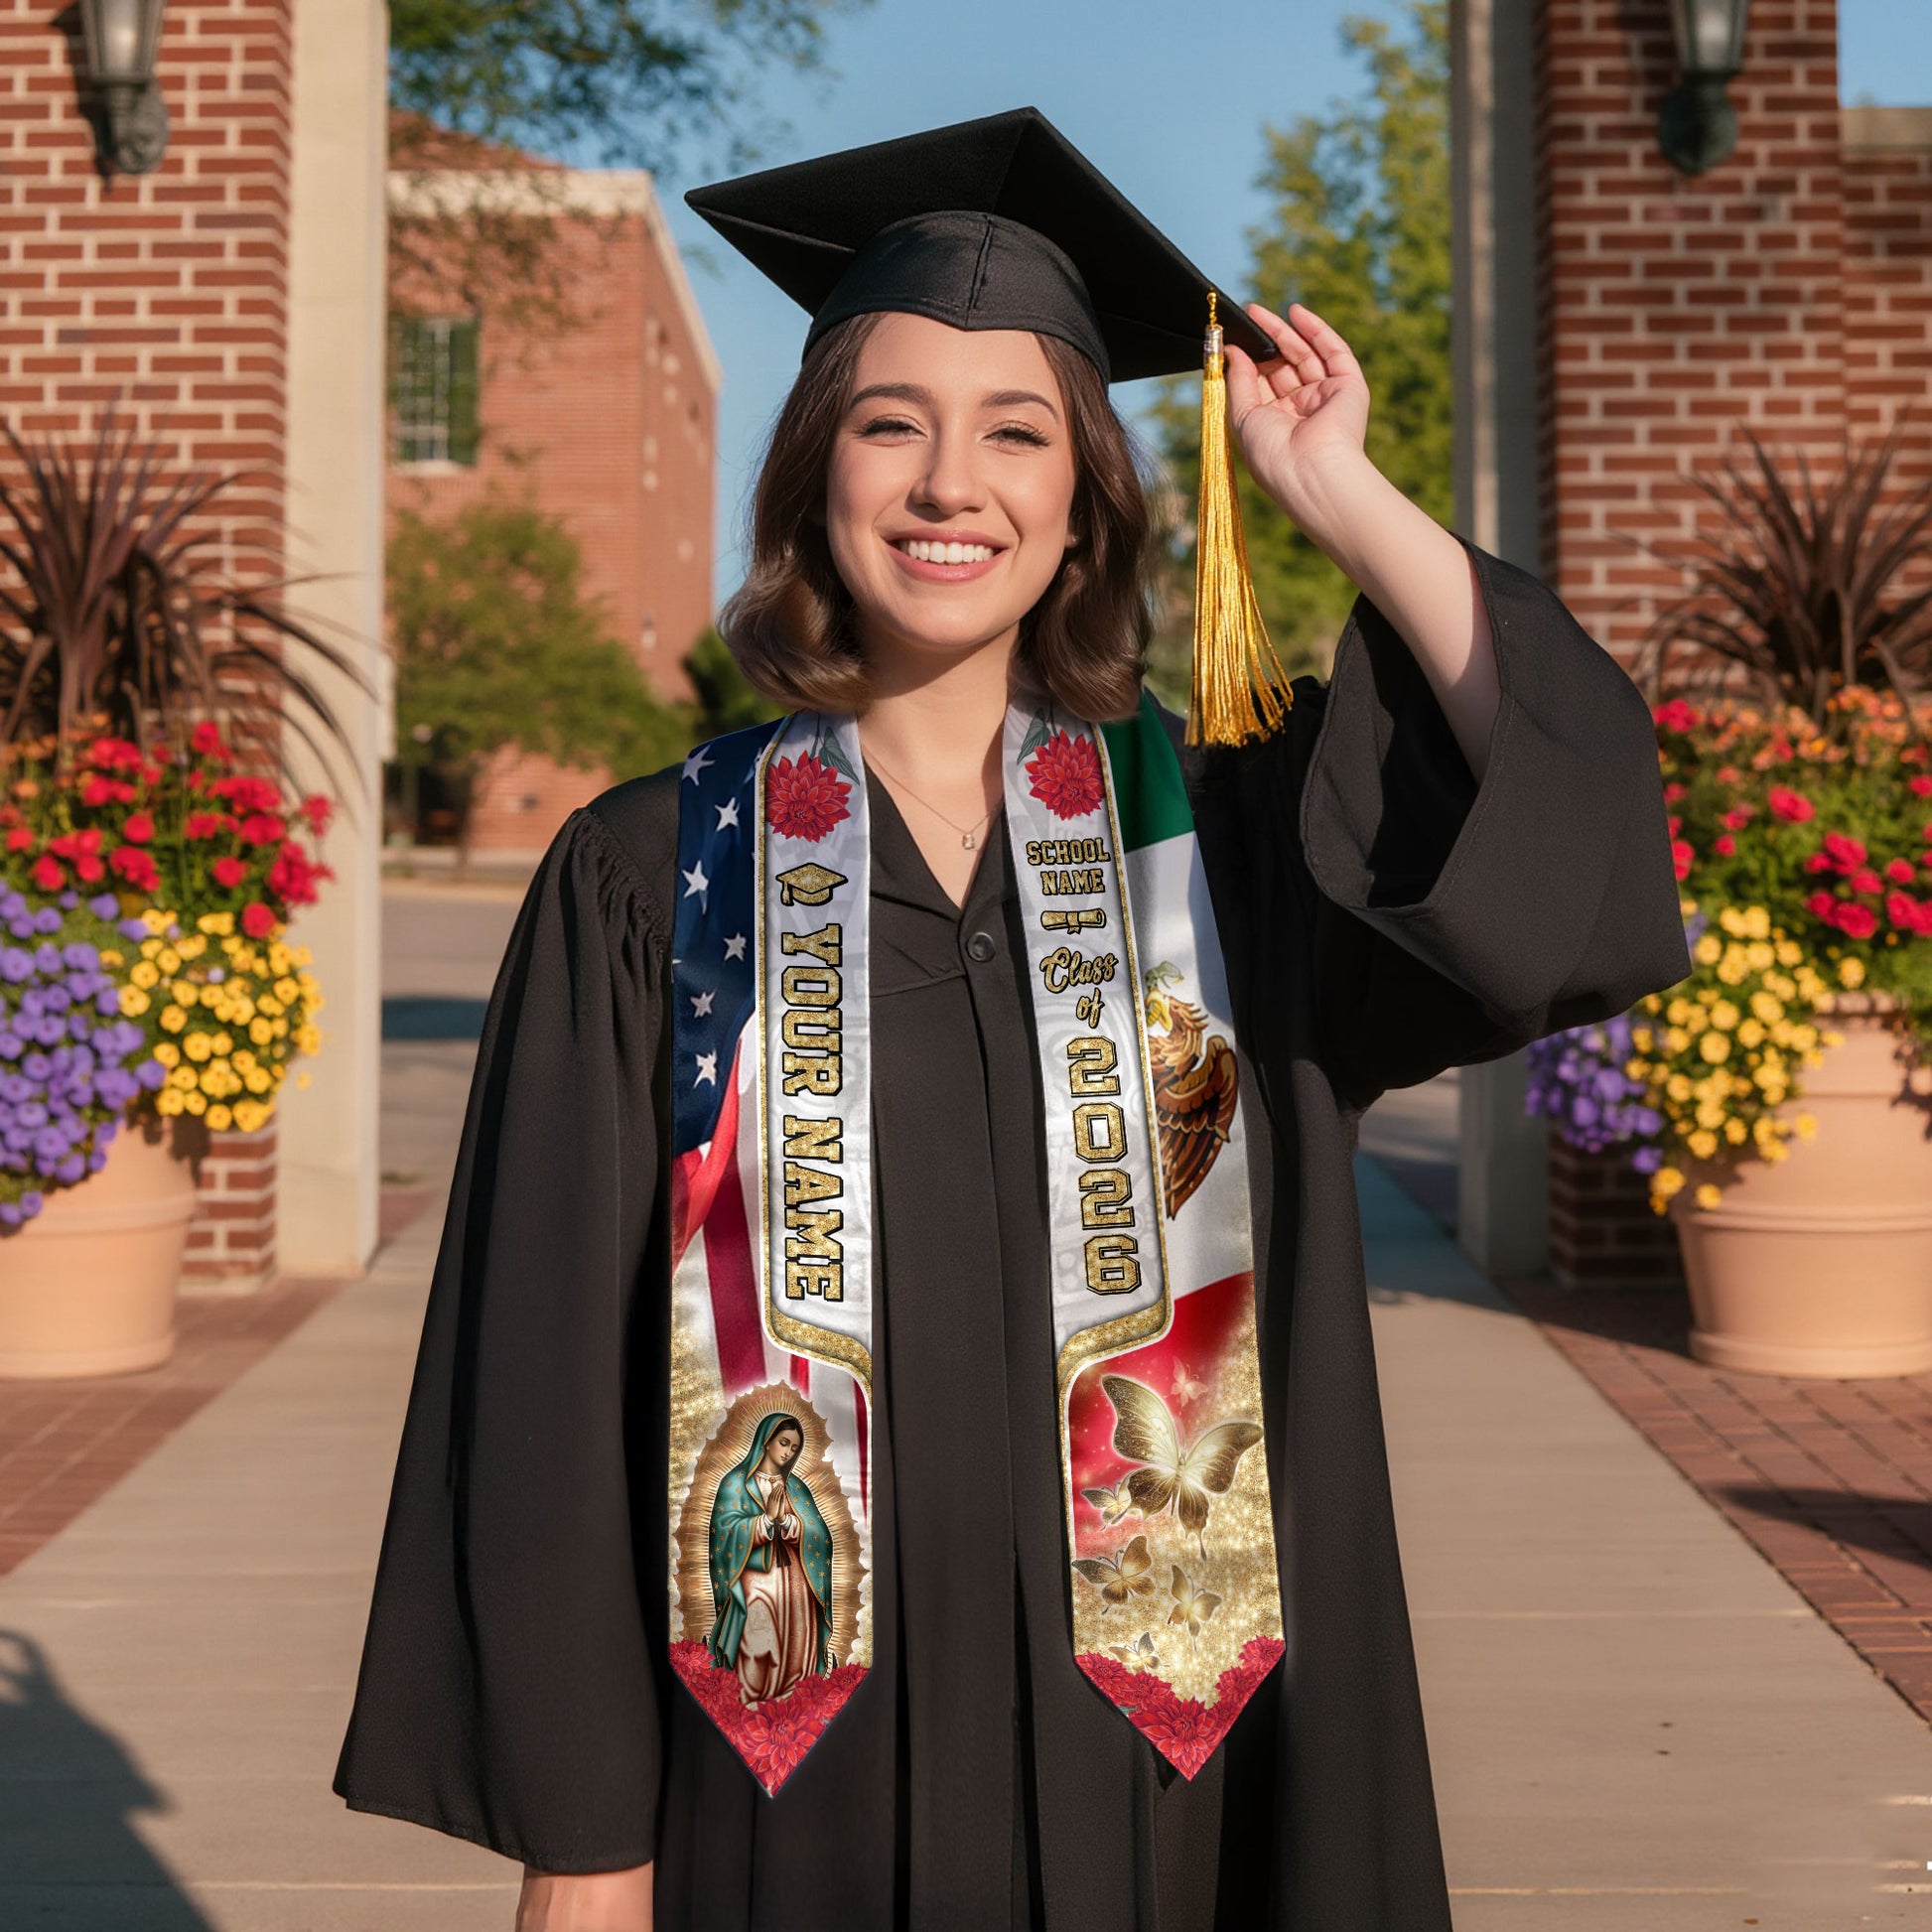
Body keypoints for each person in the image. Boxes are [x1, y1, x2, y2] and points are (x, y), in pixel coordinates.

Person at [333, 108, 1692, 1931]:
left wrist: (1336, 491)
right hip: (782, 1785)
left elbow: (1561, 838)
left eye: (1016, 432)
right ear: (815, 473)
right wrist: (584, 1846)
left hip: (1177, 1785)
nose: (948, 484)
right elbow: (546, 1383)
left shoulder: (1225, 856)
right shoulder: (657, 877)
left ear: (1083, 502)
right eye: (890, 423)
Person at [707, 1412, 833, 1704]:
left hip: (794, 1578)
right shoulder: (735, 1483)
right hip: (754, 1578)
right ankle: (750, 1700)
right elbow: (724, 1532)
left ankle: (790, 1700)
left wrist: (787, 1522)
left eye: (794, 1448)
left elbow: (820, 1535)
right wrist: (764, 1521)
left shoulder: (796, 1488)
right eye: (783, 1443)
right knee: (757, 1631)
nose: (788, 1452)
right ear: (766, 1441)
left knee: (797, 1636)